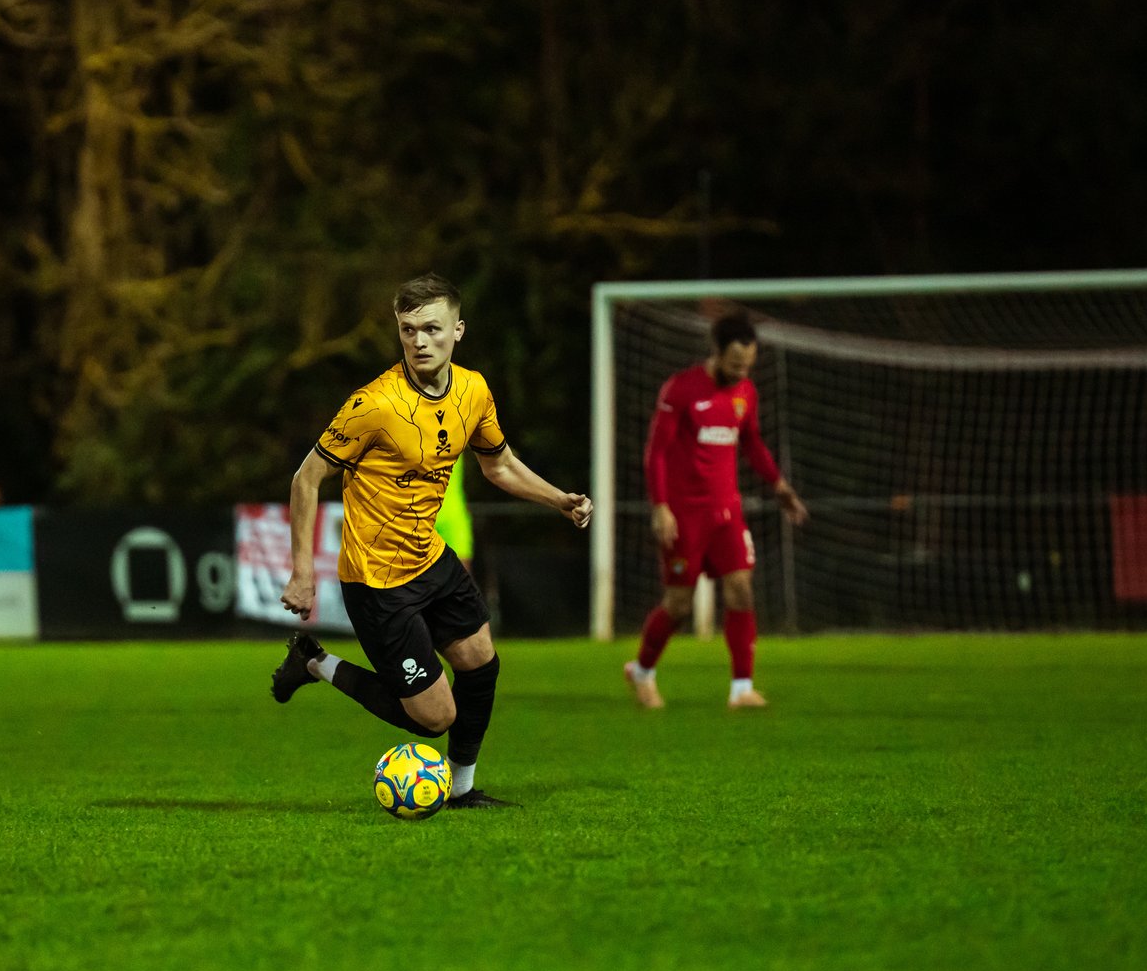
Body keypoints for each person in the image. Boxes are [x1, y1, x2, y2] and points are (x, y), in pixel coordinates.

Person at [268, 273, 593, 808]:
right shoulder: (374, 404)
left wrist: (560, 500)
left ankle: (462, 790)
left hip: (430, 559)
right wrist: (303, 573)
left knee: (481, 661)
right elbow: (306, 478)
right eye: (408, 329)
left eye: (432, 329)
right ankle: (314, 663)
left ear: (458, 331)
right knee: (436, 717)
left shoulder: (473, 390)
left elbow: (500, 466)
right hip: (377, 581)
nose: (419, 341)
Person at [625, 310, 810, 711]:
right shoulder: (681, 389)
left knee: (741, 589)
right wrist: (661, 508)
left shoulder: (746, 392)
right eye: (734, 363)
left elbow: (753, 443)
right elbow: (656, 452)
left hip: (727, 512)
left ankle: (742, 688)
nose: (741, 371)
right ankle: (642, 671)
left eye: (747, 364)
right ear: (717, 352)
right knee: (678, 603)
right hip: (684, 515)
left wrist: (779, 486)